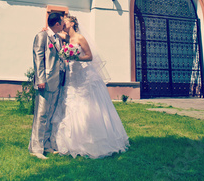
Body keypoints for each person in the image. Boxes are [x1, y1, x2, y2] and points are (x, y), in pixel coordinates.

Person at [51, 15, 129, 158]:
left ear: (72, 23)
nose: (63, 23)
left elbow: (89, 56)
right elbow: (54, 33)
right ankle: (70, 142)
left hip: (82, 74)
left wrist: (76, 58)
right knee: (69, 103)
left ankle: (90, 141)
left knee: (85, 104)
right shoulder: (66, 37)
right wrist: (48, 30)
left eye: (65, 21)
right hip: (71, 75)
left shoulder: (80, 38)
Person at [28, 12, 66, 159]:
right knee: (41, 114)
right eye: (62, 22)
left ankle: (47, 145)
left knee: (51, 115)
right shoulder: (42, 36)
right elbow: (38, 58)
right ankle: (36, 149)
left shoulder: (58, 38)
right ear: (56, 23)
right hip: (46, 81)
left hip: (58, 81)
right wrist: (40, 79)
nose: (63, 24)